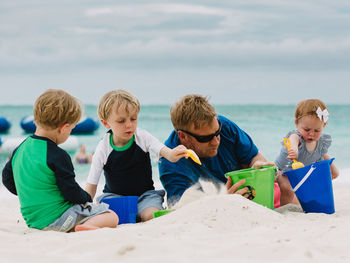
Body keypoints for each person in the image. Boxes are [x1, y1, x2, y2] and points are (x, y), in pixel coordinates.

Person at [2, 89, 118, 232]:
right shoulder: (58, 155)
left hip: (35, 222)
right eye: (71, 130)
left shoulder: (20, 149)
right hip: (62, 219)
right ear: (64, 128)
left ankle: (80, 226)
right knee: (111, 216)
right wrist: (86, 197)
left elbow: (7, 179)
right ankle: (88, 227)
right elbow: (71, 192)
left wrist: (33, 195)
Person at [158, 94, 279, 207]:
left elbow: (255, 158)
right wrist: (225, 200)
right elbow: (182, 209)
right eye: (206, 138)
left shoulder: (225, 126)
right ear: (183, 136)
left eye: (217, 132)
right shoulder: (171, 164)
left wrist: (258, 166)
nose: (216, 141)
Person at [85, 90, 187, 222]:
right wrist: (84, 206)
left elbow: (165, 152)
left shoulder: (142, 137)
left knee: (150, 216)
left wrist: (174, 153)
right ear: (106, 123)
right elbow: (92, 184)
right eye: (121, 121)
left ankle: (144, 214)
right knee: (112, 218)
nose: (129, 124)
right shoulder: (103, 147)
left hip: (145, 196)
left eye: (133, 119)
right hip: (115, 197)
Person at [275, 99, 339, 206]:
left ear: (324, 126)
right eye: (307, 129)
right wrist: (294, 149)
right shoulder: (297, 137)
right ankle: (285, 209)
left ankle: (302, 204)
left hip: (303, 173)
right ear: (297, 123)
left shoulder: (321, 142)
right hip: (284, 171)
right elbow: (293, 140)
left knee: (311, 189)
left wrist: (333, 170)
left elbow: (323, 155)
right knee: (287, 188)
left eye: (316, 130)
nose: (311, 134)